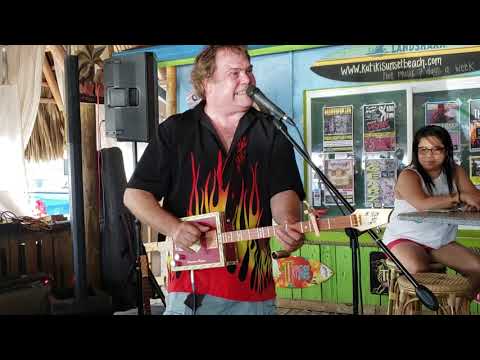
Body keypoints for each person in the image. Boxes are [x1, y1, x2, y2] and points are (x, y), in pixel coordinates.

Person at [123, 45, 305, 315]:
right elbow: (135, 195)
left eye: (248, 71)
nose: (247, 79)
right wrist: (174, 228)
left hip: (255, 290)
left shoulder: (272, 130)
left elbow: (283, 191)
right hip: (192, 289)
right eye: (235, 73)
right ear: (207, 83)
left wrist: (288, 223)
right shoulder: (175, 131)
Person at [383, 125, 480, 303]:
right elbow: (423, 204)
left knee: (477, 267)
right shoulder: (409, 175)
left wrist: (471, 202)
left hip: (439, 241)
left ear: (447, 151)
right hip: (405, 238)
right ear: (416, 151)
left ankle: (457, 306)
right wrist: (459, 197)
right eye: (423, 150)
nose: (429, 155)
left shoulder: (455, 171)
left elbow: (476, 197)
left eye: (437, 150)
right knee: (418, 268)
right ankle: (427, 307)